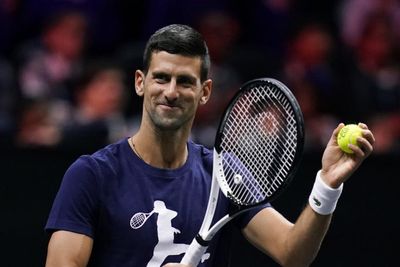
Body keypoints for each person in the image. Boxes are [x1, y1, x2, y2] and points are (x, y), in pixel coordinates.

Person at [45, 24, 375, 267]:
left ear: (204, 92)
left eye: (185, 81)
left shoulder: (224, 174)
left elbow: (293, 254)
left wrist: (327, 185)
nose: (171, 92)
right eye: (161, 78)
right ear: (140, 83)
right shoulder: (91, 175)